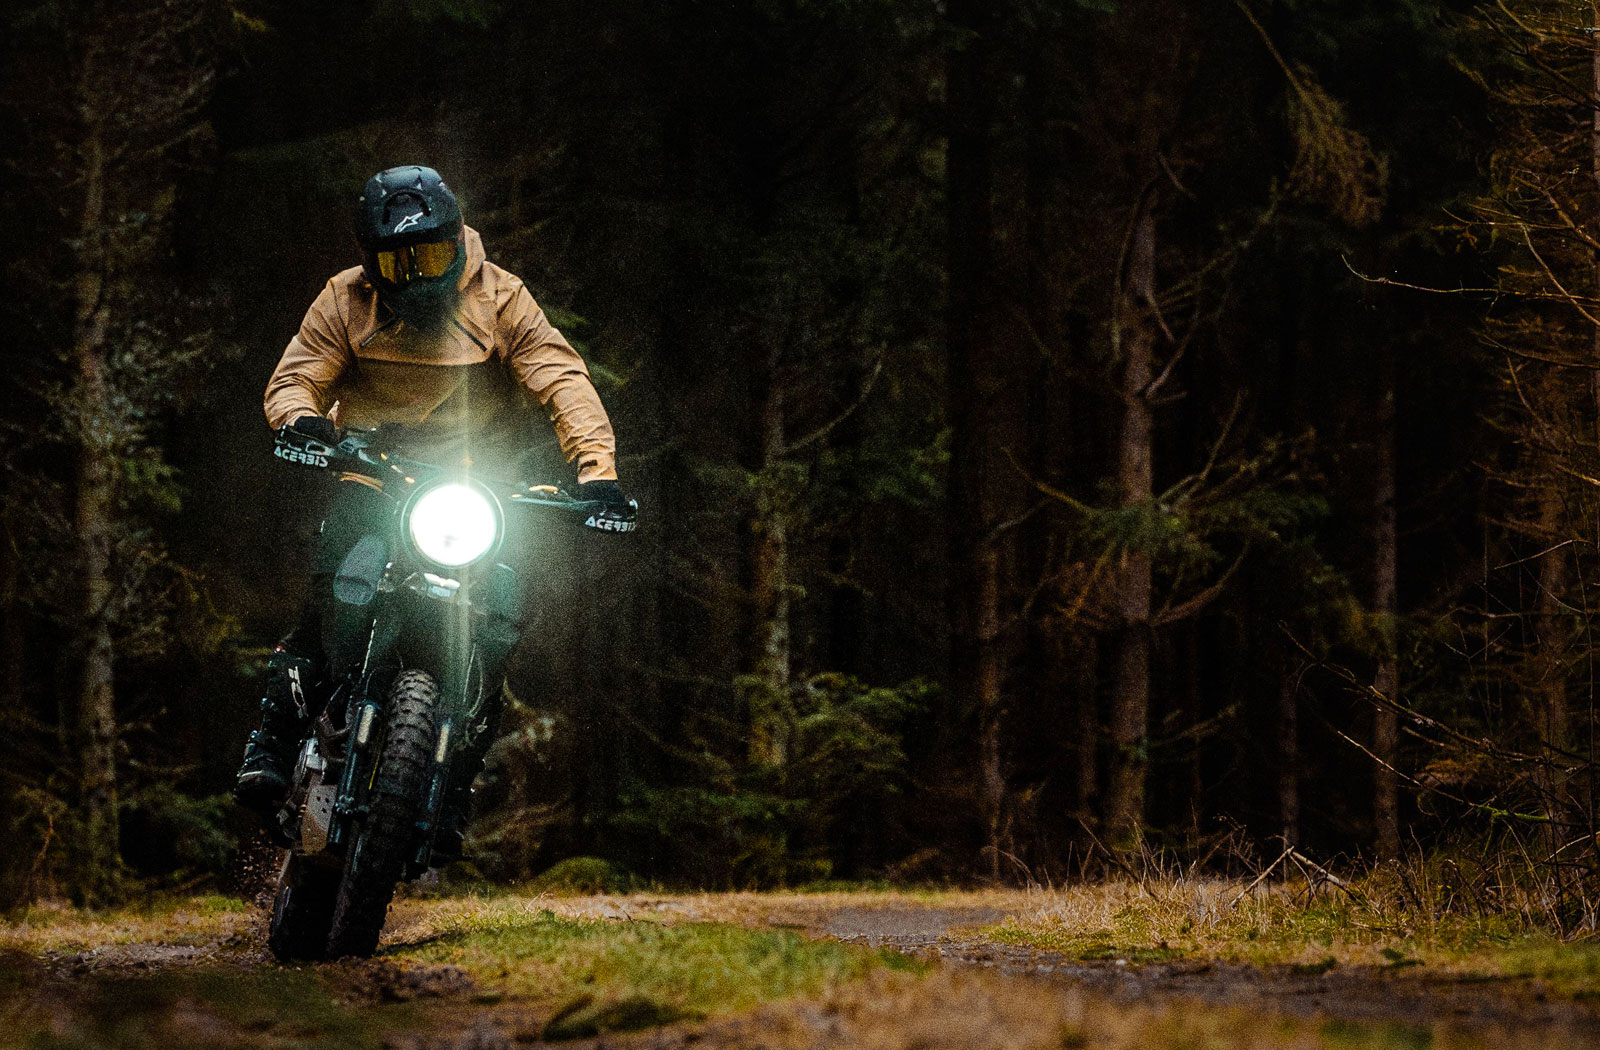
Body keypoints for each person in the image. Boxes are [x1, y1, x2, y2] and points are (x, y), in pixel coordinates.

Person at [232, 164, 629, 854]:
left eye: (433, 256)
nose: (418, 278)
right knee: (333, 588)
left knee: (498, 621)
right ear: (370, 265)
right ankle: (270, 739)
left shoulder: (502, 297)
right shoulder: (343, 299)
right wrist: (302, 421)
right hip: (375, 475)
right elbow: (298, 373)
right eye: (398, 263)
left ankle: (454, 785)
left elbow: (561, 378)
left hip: (480, 483)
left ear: (458, 242)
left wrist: (598, 473)